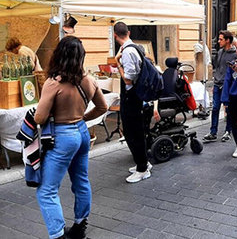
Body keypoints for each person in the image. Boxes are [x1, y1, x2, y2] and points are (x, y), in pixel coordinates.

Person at [34, 36, 107, 239]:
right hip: (81, 132)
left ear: (59, 55)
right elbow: (103, 107)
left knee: (46, 190)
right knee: (81, 181)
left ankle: (57, 234)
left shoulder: (53, 83)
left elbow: (40, 117)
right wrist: (83, 118)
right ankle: (79, 226)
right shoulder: (89, 80)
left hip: (62, 136)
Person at [114, 22, 152, 183]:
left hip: (131, 98)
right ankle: (143, 163)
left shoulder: (128, 52)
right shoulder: (136, 48)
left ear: (115, 36)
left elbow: (128, 80)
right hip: (135, 98)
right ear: (128, 32)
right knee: (136, 132)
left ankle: (142, 169)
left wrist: (118, 64)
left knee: (132, 133)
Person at [203, 30, 237, 142]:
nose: (218, 41)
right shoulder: (220, 52)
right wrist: (214, 83)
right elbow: (217, 68)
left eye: (221, 39)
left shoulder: (235, 54)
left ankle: (228, 131)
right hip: (218, 84)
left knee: (228, 109)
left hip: (228, 86)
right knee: (215, 108)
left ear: (228, 40)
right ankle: (213, 132)